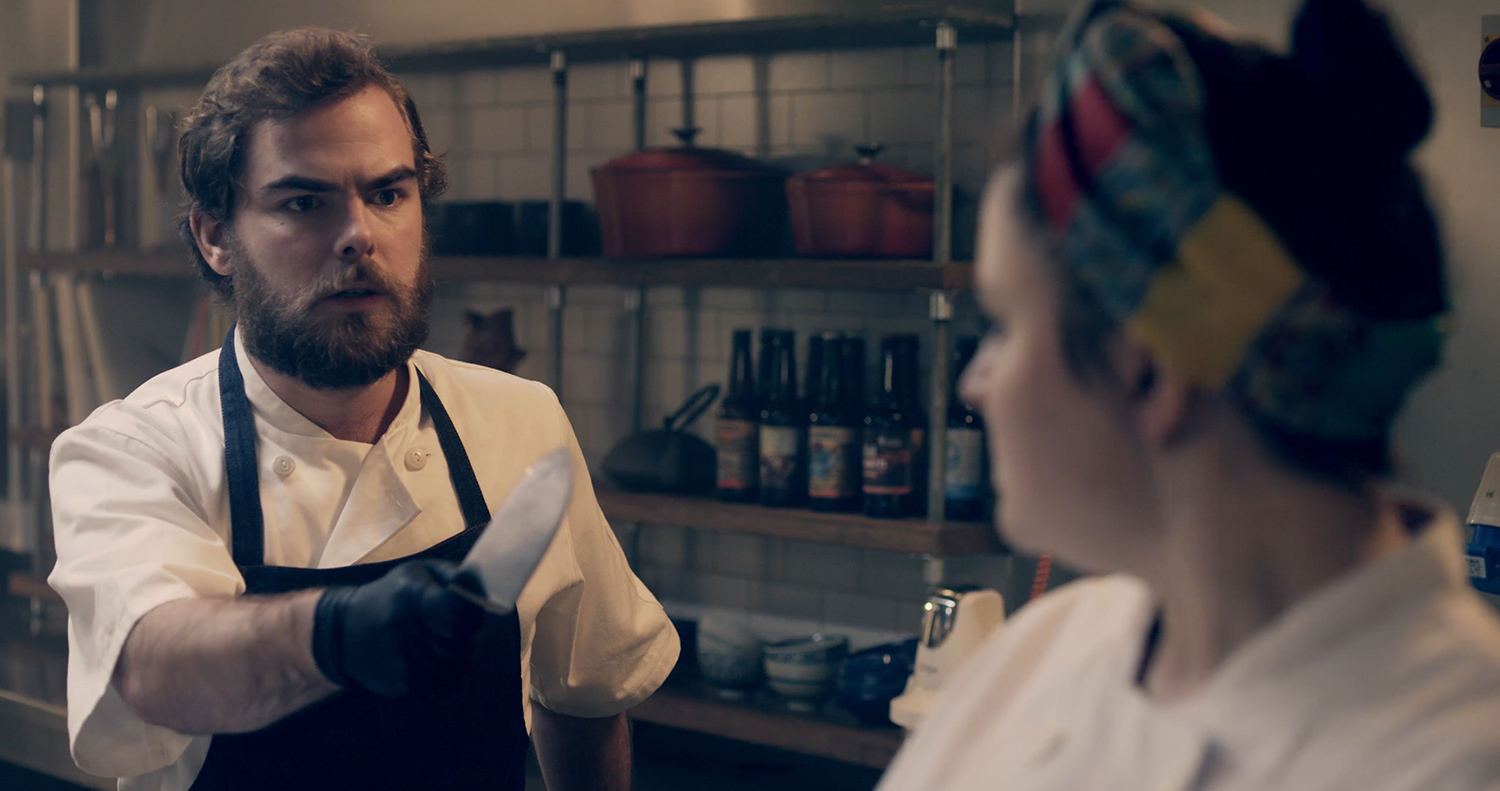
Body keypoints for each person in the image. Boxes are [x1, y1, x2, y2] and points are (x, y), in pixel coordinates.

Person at [877, 0, 1500, 788]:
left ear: (1151, 373)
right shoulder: (1041, 652)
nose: (977, 381)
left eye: (1003, 325)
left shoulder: (1457, 761)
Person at [47, 28, 678, 791]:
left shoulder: (520, 421)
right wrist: (337, 634)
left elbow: (586, 690)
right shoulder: (133, 448)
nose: (360, 236)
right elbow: (155, 665)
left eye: (387, 193)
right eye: (305, 202)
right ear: (216, 236)